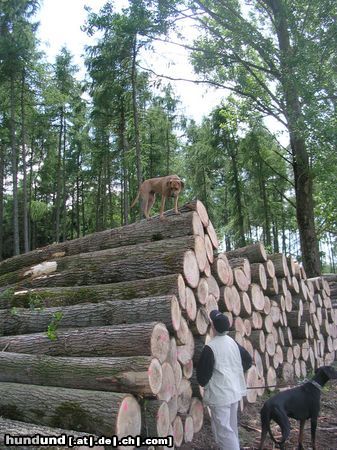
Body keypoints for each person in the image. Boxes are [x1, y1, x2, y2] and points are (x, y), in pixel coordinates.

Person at [196, 309, 252, 450]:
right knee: (231, 428)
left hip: (220, 396)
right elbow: (248, 361)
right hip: (234, 393)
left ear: (213, 327)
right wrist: (233, 373)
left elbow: (202, 377)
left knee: (225, 432)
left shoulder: (210, 348)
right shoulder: (232, 343)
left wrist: (209, 383)